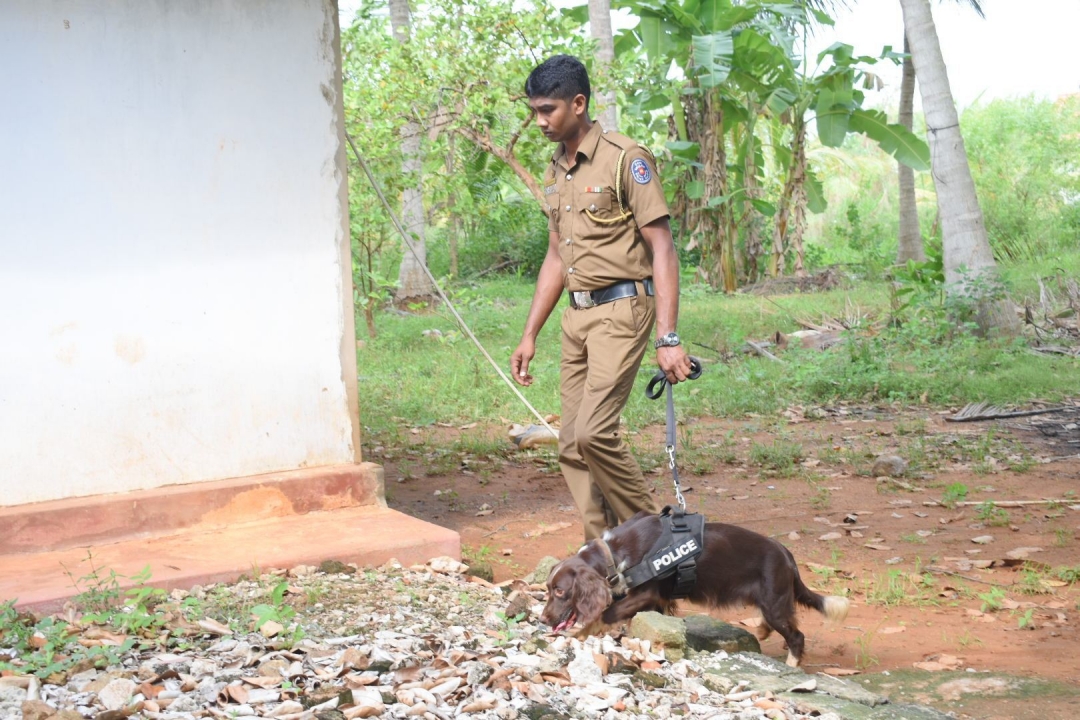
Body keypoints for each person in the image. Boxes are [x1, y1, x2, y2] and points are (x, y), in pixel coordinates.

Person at [510, 55, 693, 542]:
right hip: (578, 317)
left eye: (548, 110)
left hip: (623, 310)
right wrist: (530, 334)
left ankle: (655, 539)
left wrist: (668, 336)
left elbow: (663, 248)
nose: (540, 121)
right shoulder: (555, 170)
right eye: (534, 111)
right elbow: (555, 257)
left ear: (578, 103)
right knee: (570, 444)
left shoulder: (624, 158)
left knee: (593, 433)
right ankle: (608, 557)